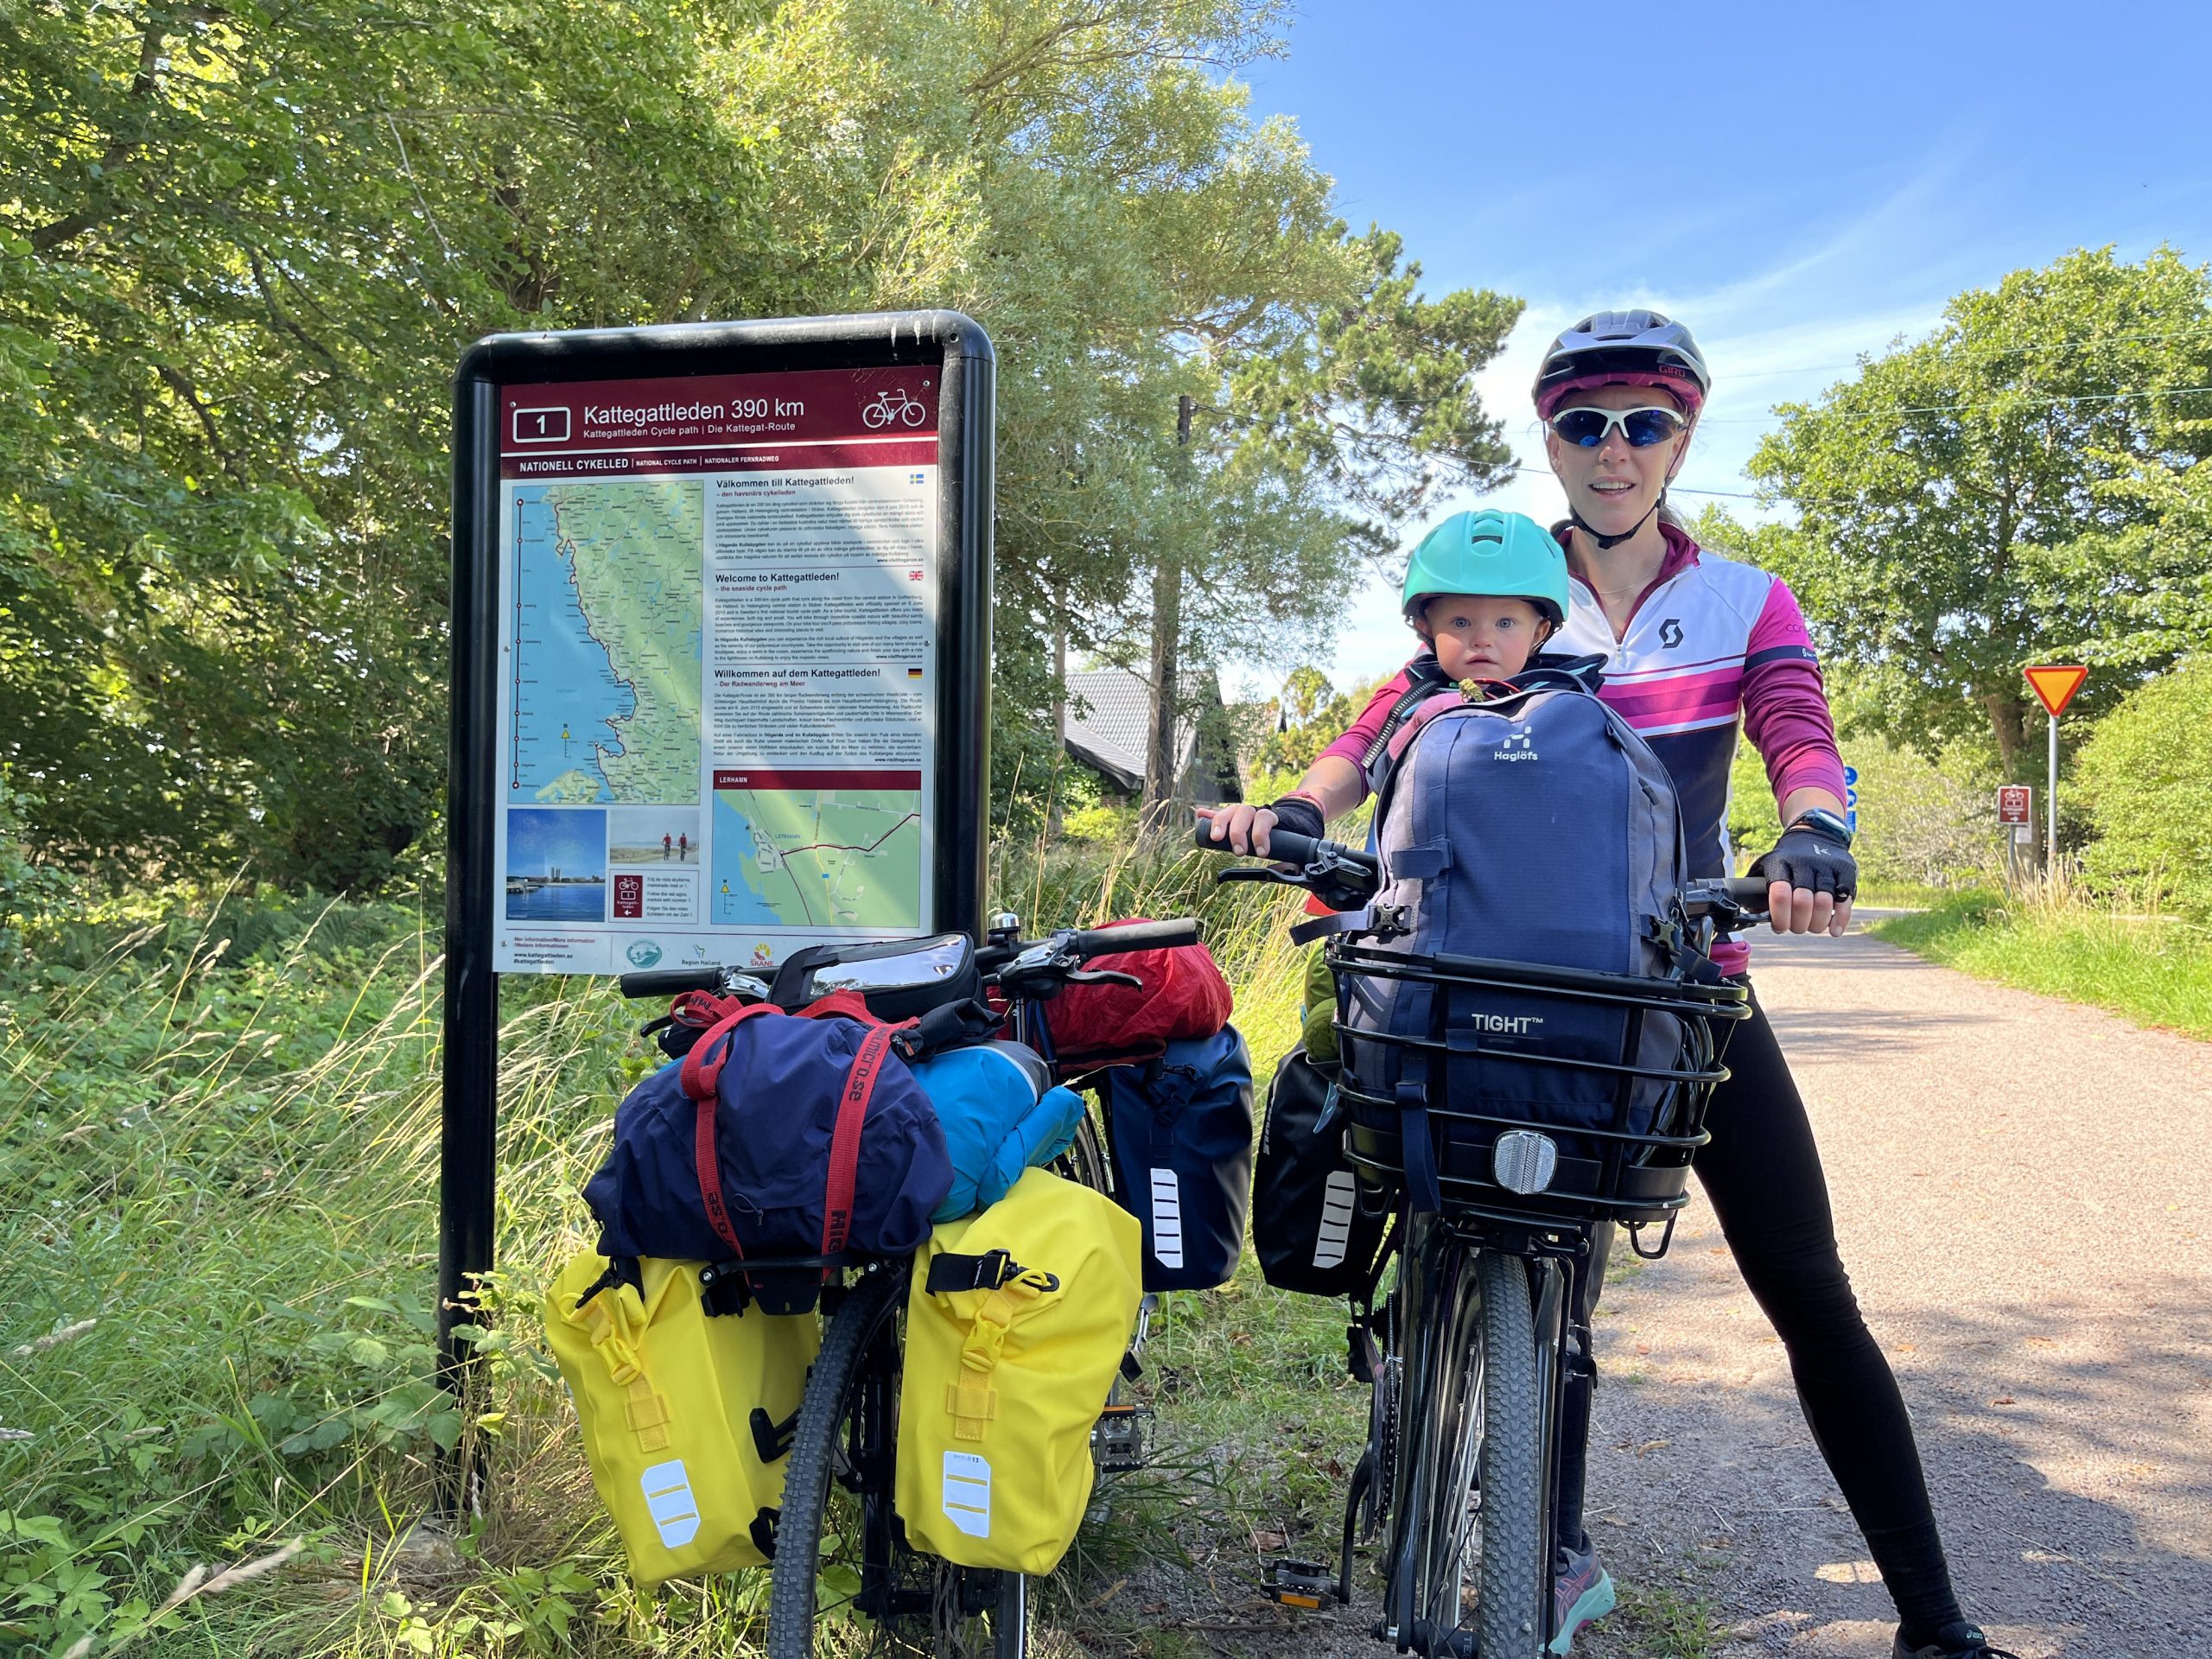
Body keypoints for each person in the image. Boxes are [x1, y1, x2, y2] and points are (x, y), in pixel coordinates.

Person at [1208, 314, 2013, 1659]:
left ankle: (1932, 1619)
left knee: (1807, 1284)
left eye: (1645, 423)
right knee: (1545, 1265)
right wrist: (1289, 805)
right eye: (1585, 424)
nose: (1615, 450)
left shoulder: (1748, 600)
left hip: (1673, 983)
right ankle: (1551, 1544)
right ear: (1551, 438)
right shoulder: (1506, 580)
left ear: (1684, 436)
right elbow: (1371, 732)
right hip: (1475, 972)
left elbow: (1801, 738)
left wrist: (1814, 830)